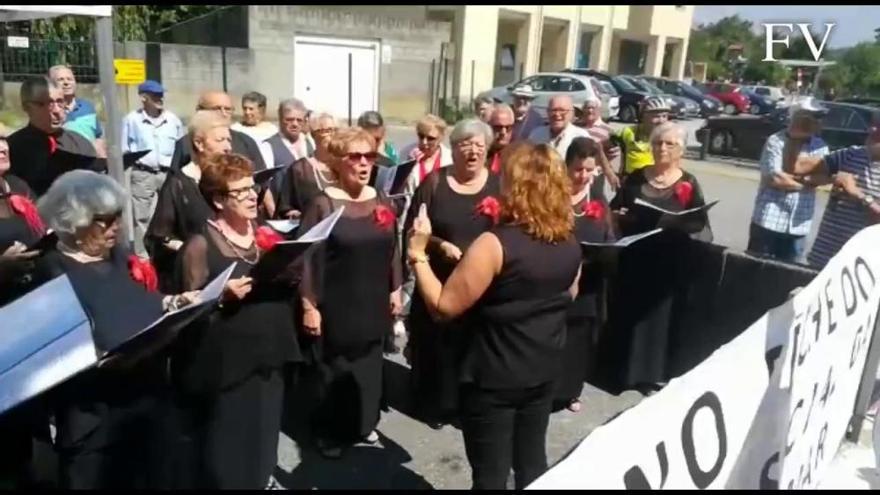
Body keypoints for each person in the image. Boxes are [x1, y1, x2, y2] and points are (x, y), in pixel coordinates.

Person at [407, 140, 581, 489]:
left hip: (494, 378)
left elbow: (443, 307)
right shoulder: (569, 241)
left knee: (490, 474)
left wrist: (418, 253)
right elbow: (570, 293)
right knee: (532, 461)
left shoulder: (495, 244)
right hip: (542, 369)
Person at [35, 170, 199, 489]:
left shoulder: (118, 255)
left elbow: (140, 301)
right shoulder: (53, 270)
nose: (116, 228)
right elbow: (52, 348)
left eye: (118, 218)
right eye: (105, 221)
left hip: (144, 399)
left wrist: (173, 302)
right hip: (95, 415)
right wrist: (100, 357)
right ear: (74, 221)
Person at [169, 153, 301, 489]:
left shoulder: (264, 233)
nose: (251, 195)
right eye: (239, 191)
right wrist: (219, 297)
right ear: (217, 199)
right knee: (228, 444)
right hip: (227, 364)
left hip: (269, 350)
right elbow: (185, 314)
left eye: (251, 187)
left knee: (265, 432)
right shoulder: (199, 246)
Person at [298, 127, 403, 459]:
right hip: (337, 303)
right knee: (335, 369)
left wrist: (396, 288)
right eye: (354, 157)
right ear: (337, 162)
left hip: (373, 299)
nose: (363, 163)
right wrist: (308, 304)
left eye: (369, 156)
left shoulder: (381, 199)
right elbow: (305, 259)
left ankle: (363, 422)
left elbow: (393, 248)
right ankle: (330, 432)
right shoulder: (323, 203)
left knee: (370, 364)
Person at [403, 119, 501, 429]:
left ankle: (467, 404)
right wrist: (439, 244)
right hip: (438, 279)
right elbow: (411, 230)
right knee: (436, 345)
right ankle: (434, 404)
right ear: (453, 150)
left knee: (474, 345)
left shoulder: (499, 185)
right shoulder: (434, 184)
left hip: (483, 285)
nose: (472, 152)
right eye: (464, 145)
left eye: (478, 146)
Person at [0, 123, 50, 489]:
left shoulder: (17, 187)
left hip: (30, 307)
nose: (3, 147)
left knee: (31, 405)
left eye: (2, 140)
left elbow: (40, 227)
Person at [555, 137, 616, 414]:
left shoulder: (599, 200)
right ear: (567, 167)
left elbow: (610, 237)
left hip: (589, 282)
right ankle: (547, 388)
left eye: (589, 170)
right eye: (578, 169)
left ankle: (571, 391)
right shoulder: (553, 196)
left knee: (579, 339)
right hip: (556, 279)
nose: (583, 176)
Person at [145, 111, 232, 291]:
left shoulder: (233, 182)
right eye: (220, 140)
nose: (227, 147)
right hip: (201, 280)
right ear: (198, 143)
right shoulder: (179, 184)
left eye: (229, 140)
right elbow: (158, 237)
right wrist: (189, 249)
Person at [783, 123, 880, 268]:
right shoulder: (851, 154)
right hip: (823, 259)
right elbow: (796, 168)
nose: (872, 130)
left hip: (858, 271)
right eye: (874, 125)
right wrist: (796, 137)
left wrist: (855, 193)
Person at [747, 98, 829, 263]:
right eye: (814, 116)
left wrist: (800, 180)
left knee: (789, 277)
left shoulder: (820, 146)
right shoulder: (776, 141)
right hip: (768, 221)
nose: (818, 122)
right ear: (799, 117)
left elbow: (824, 177)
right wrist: (808, 182)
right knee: (755, 271)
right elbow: (775, 178)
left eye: (820, 117)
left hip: (799, 224)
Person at [611, 121, 712, 239]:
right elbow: (614, 208)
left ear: (681, 150)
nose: (662, 148)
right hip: (636, 248)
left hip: (673, 249)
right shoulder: (636, 177)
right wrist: (617, 216)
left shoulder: (689, 182)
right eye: (658, 143)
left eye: (669, 144)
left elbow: (699, 223)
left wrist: (680, 224)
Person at [121, 80, 185, 258]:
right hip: (143, 173)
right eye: (155, 96)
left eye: (161, 95)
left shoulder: (172, 120)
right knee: (141, 216)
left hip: (168, 173)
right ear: (143, 98)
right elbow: (123, 147)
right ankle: (143, 256)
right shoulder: (131, 120)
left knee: (170, 212)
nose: (160, 99)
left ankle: (165, 251)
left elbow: (180, 147)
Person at [8, 76, 97, 197]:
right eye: (44, 103)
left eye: (60, 101)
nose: (56, 110)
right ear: (26, 107)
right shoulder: (12, 148)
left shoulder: (80, 143)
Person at [168, 90, 266, 172]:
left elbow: (263, 182)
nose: (223, 114)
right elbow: (173, 184)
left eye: (228, 109)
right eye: (216, 109)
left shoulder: (246, 142)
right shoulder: (185, 144)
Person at [274, 111, 339, 220]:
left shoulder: (345, 166)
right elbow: (285, 206)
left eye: (333, 130)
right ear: (313, 134)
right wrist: (293, 213)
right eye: (325, 131)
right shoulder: (299, 169)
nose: (331, 136)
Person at [48, 65, 106, 157]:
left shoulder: (88, 107)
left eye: (69, 79)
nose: (66, 83)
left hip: (90, 163)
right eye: (61, 79)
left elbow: (98, 137)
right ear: (53, 85)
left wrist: (103, 159)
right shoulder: (50, 111)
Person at [613, 96, 670, 176]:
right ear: (642, 116)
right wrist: (610, 173)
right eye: (656, 116)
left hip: (656, 183)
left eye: (664, 116)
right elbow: (601, 147)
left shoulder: (669, 137)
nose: (661, 121)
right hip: (630, 183)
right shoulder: (628, 132)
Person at [576, 97, 621, 193]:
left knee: (595, 199)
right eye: (587, 108)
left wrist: (600, 169)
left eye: (593, 108)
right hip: (576, 172)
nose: (590, 110)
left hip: (596, 174)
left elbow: (613, 155)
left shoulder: (608, 130)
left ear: (599, 110)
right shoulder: (576, 126)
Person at [260, 98, 316, 169]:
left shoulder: (310, 143)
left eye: (299, 120)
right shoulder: (268, 147)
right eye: (289, 120)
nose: (295, 124)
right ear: (280, 119)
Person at [528, 95, 590, 159]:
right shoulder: (536, 135)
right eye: (553, 110)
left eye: (562, 110)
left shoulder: (581, 136)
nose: (557, 114)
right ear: (547, 112)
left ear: (571, 113)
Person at [487, 104, 514, 174]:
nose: (503, 132)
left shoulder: (518, 158)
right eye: (498, 127)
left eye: (508, 128)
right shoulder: (478, 154)